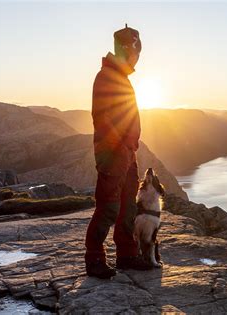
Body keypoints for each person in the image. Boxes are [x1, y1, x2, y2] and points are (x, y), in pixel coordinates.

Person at [85, 24, 152, 279]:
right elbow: (104, 120)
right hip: (113, 155)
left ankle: (126, 255)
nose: (138, 58)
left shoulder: (119, 77)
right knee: (108, 207)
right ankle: (94, 259)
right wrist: (121, 149)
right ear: (127, 50)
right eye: (136, 52)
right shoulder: (106, 77)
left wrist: (129, 149)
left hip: (125, 153)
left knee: (127, 207)